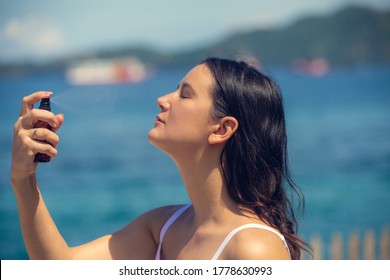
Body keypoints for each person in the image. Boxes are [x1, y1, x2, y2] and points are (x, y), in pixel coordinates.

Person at [11, 57, 310, 260]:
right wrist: (23, 178)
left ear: (221, 129)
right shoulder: (162, 227)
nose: (162, 99)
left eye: (185, 94)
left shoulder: (254, 249)